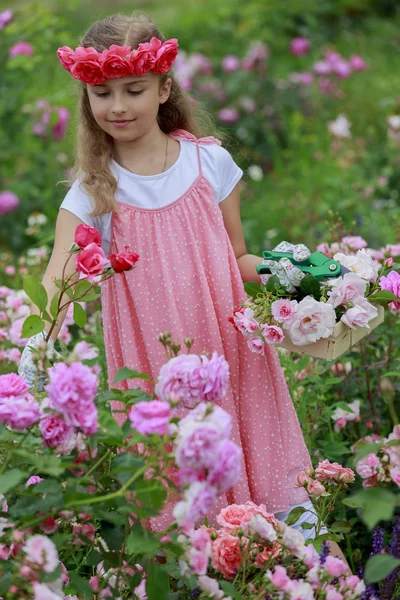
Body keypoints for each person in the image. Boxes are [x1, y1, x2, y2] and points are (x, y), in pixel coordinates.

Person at [18, 11, 333, 545]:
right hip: (152, 366)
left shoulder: (209, 165)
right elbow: (57, 282)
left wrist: (314, 282)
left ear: (164, 88)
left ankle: (291, 569)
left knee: (261, 469)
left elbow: (237, 258)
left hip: (230, 353)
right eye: (102, 94)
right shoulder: (92, 194)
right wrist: (32, 359)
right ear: (87, 100)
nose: (117, 107)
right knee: (178, 497)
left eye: (133, 90)